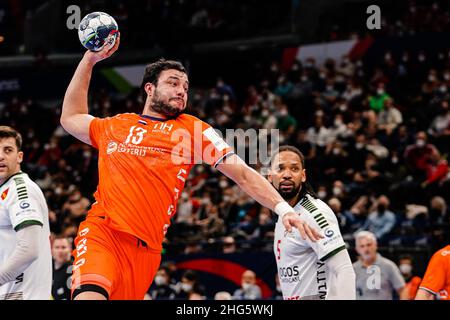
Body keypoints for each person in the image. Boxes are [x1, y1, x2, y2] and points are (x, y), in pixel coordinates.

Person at [61, 33, 322, 300]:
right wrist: (89, 60)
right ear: (149, 88)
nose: (181, 91)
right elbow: (71, 117)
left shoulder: (192, 129)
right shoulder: (115, 125)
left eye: (185, 87)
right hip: (103, 233)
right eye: (173, 83)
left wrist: (282, 208)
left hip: (148, 251)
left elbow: (242, 173)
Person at [269, 145, 356, 300]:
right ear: (270, 176)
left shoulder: (315, 213)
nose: (287, 175)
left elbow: (345, 270)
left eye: (294, 169)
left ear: (303, 176)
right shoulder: (284, 213)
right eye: (280, 169)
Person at [0, 126, 52, 300]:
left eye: (8, 150)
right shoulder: (6, 189)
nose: (1, 156)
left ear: (19, 157)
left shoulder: (20, 189)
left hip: (24, 295)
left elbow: (29, 249)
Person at [353, 231, 406, 300]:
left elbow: (402, 289)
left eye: (369, 245)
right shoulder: (353, 268)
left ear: (375, 245)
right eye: (362, 246)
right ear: (357, 249)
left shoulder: (388, 266)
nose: (366, 249)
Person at [51, 235, 73, 300]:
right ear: (51, 250)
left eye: (63, 247)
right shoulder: (48, 269)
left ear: (70, 249)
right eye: (57, 247)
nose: (60, 251)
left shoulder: (73, 269)